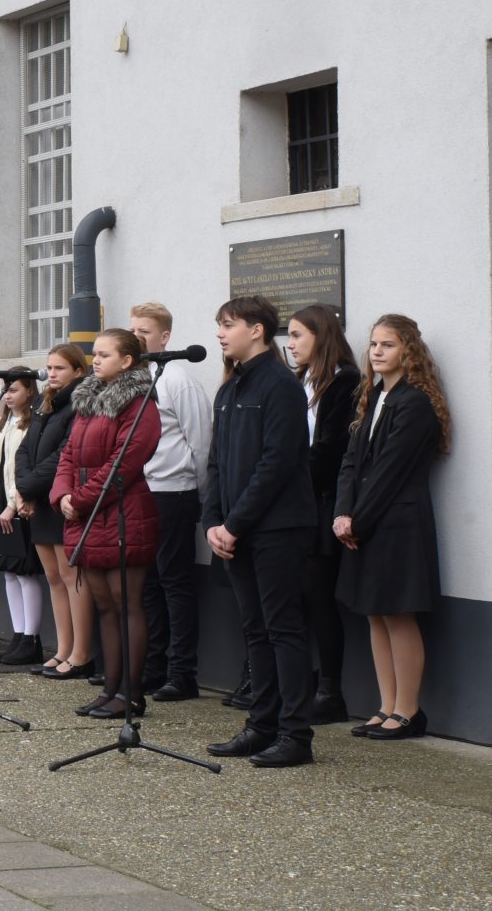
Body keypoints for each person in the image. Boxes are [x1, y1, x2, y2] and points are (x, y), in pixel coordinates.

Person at [203, 295, 317, 767]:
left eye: (228, 325)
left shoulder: (281, 386)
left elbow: (276, 462)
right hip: (235, 530)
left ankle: (296, 735)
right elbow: (217, 462)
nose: (220, 334)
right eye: (219, 325)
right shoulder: (230, 389)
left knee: (283, 629)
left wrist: (236, 522)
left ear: (256, 330)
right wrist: (213, 521)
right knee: (254, 629)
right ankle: (261, 725)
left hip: (277, 528)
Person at [334, 314, 448, 742]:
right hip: (364, 522)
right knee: (375, 616)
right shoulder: (374, 396)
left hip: (398, 523)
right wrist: (341, 514)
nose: (377, 352)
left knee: (399, 615)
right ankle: (385, 706)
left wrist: (355, 521)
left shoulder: (414, 403)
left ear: (409, 353)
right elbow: (351, 462)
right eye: (374, 344)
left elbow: (390, 471)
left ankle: (408, 710)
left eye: (388, 345)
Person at [51, 328, 161, 720]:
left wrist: (78, 500)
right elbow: (68, 454)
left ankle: (131, 695)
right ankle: (110, 688)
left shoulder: (140, 402)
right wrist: (62, 494)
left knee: (125, 604)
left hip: (122, 514)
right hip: (85, 514)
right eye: (93, 354)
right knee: (104, 607)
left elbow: (123, 464)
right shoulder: (87, 401)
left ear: (127, 361)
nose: (95, 361)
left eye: (104, 355)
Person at [128, 302, 214, 703]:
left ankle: (183, 672)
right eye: (133, 331)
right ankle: (153, 665)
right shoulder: (133, 379)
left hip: (174, 492)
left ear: (164, 337)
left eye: (145, 331)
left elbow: (200, 442)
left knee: (175, 581)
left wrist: (198, 493)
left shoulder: (178, 379)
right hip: (140, 492)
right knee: (148, 584)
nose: (138, 337)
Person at [287, 304, 361, 723]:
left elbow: (330, 450)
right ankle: (306, 682)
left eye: (298, 335)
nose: (291, 343)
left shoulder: (344, 381)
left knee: (319, 598)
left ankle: (331, 691)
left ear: (321, 336)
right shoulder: (301, 381)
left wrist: (288, 479)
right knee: (296, 598)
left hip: (320, 503)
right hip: (297, 502)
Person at [15, 343, 93, 678]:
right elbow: (24, 449)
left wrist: (29, 487)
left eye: (60, 368)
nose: (52, 374)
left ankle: (81, 652)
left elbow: (63, 456)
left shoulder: (79, 405)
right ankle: (62, 648)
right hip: (38, 500)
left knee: (70, 575)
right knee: (52, 577)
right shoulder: (44, 403)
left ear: (78, 371)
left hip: (60, 499)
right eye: (50, 367)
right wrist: (23, 490)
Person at [0, 369, 44, 666]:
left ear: (30, 391)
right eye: (5, 390)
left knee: (25, 571)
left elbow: (27, 466)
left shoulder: (32, 424)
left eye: (14, 389)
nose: (8, 394)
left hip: (19, 504)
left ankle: (31, 638)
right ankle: (17, 635)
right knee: (8, 571)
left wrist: (13, 505)